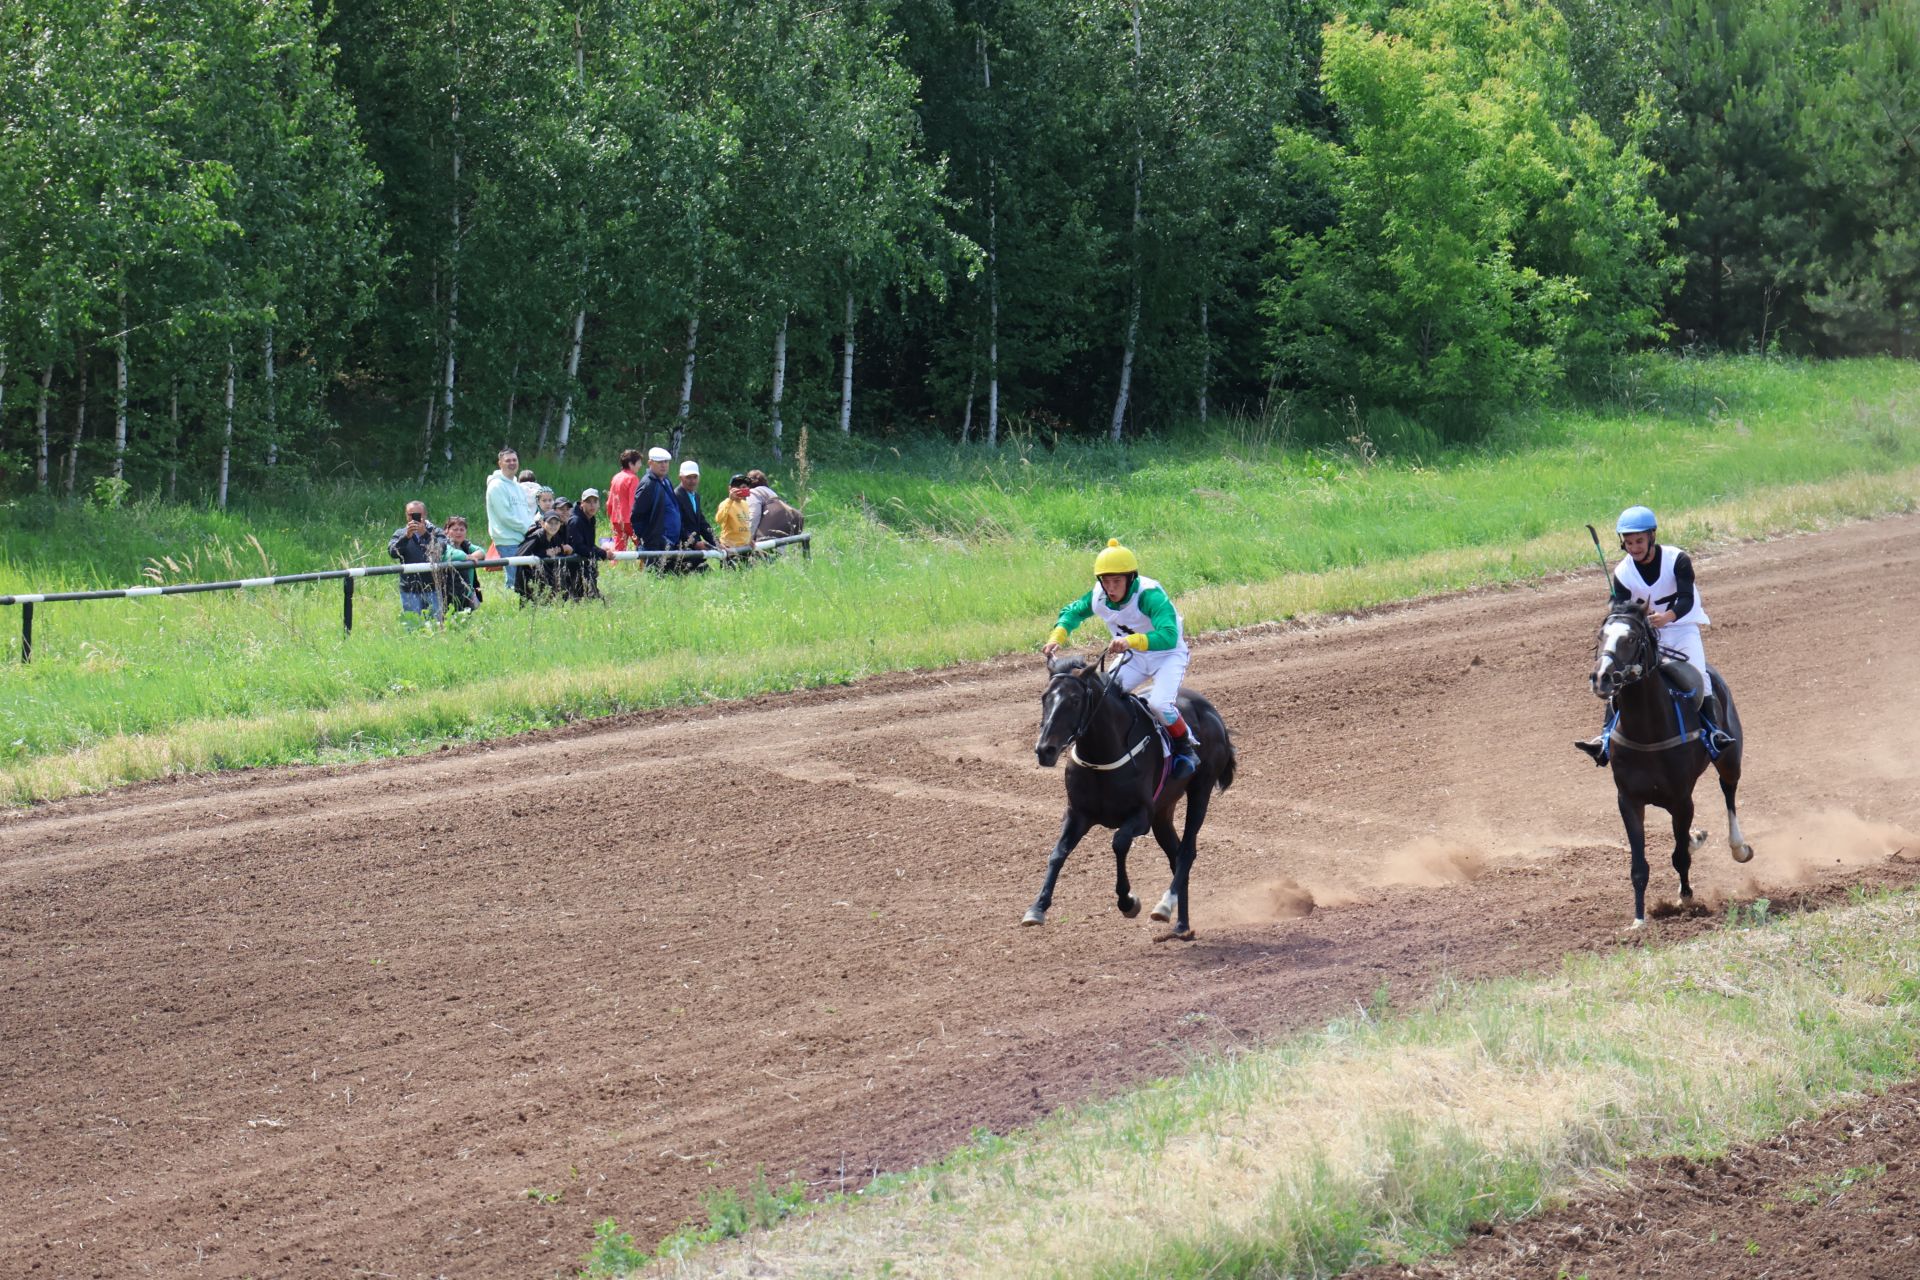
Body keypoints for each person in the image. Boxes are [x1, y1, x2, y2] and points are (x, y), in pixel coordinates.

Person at [1578, 505, 1736, 763]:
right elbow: (1621, 608)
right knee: (1620, 679)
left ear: (1652, 536)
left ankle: (1713, 732)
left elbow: (1685, 599)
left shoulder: (1678, 559)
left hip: (1682, 629)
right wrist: (1622, 610)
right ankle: (1605, 738)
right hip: (1648, 636)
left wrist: (1667, 617)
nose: (1634, 547)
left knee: (1700, 675)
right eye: (1628, 542)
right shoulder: (1622, 573)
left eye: (1639, 541)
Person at [1042, 539, 1200, 778]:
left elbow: (1169, 635)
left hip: (1167, 656)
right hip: (1134, 657)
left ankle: (1185, 748)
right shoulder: (1099, 597)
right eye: (1106, 581)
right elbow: (1072, 612)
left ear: (1131, 579)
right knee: (1102, 699)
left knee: (1159, 704)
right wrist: (1057, 636)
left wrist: (1131, 641)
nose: (1111, 588)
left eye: (1117, 581)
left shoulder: (1149, 596)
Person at [388, 500, 447, 621]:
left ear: (425, 515)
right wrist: (406, 537)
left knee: (436, 625)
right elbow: (393, 553)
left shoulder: (436, 531)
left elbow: (441, 549)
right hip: (409, 589)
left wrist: (425, 534)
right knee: (413, 627)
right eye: (410, 515)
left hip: (433, 588)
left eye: (418, 515)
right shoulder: (400, 534)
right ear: (406, 515)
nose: (414, 518)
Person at [486, 448, 535, 591]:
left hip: (522, 538)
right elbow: (505, 517)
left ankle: (518, 607)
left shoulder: (517, 486)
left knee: (524, 580)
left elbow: (526, 512)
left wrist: (533, 528)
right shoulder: (496, 486)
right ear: (500, 463)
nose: (512, 463)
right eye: (508, 460)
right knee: (516, 583)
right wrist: (528, 529)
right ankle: (513, 608)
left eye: (514, 460)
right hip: (507, 540)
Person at [631, 446, 681, 567]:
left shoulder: (666, 480)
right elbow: (637, 516)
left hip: (671, 543)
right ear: (650, 463)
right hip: (655, 544)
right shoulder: (648, 484)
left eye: (666, 462)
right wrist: (650, 538)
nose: (663, 465)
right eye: (659, 462)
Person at [563, 488, 613, 600]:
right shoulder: (576, 521)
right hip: (573, 569)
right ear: (582, 504)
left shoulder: (591, 519)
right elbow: (579, 547)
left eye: (595, 502)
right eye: (589, 502)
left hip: (584, 566)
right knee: (576, 599)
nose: (592, 505)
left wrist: (603, 552)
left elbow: (589, 545)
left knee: (590, 598)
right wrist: (603, 554)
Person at [513, 509, 573, 601]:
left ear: (560, 524)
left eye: (556, 523)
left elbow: (555, 554)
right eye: (550, 523)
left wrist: (560, 550)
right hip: (529, 581)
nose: (553, 526)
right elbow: (519, 556)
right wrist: (544, 553)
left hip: (545, 581)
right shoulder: (536, 536)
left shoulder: (556, 537)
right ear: (542, 523)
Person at [670, 460, 716, 573]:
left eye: (695, 477)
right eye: (688, 477)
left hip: (694, 551)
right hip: (681, 550)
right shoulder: (675, 496)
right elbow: (677, 526)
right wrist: (694, 543)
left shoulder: (696, 497)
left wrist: (717, 543)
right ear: (680, 477)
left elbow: (702, 523)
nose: (692, 481)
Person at [744, 468, 804, 542]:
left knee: (761, 547)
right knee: (777, 550)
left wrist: (748, 538)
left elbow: (754, 515)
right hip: (787, 520)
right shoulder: (770, 492)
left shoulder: (752, 492)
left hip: (773, 522)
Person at [441, 515, 485, 612]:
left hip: (468, 593)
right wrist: (467, 557)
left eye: (462, 529)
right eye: (455, 529)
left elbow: (481, 551)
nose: (459, 532)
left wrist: (472, 556)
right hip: (449, 594)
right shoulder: (443, 544)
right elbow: (450, 554)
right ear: (446, 531)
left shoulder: (465, 545)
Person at [608, 448, 642, 552]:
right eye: (639, 462)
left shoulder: (616, 477)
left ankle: (615, 566)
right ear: (631, 464)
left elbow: (610, 501)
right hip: (629, 520)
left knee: (618, 549)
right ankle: (644, 567)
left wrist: (611, 515)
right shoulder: (633, 478)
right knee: (642, 545)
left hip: (616, 519)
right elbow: (634, 502)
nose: (640, 465)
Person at [715, 473, 754, 563]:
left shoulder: (745, 504)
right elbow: (719, 520)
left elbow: (745, 524)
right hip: (730, 548)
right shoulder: (726, 504)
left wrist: (749, 539)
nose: (746, 489)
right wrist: (730, 500)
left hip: (744, 547)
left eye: (747, 487)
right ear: (730, 489)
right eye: (743, 487)